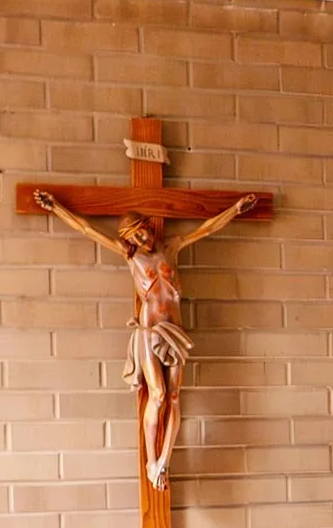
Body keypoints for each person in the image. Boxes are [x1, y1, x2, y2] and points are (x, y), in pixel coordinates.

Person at [34, 189, 258, 488]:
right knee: (159, 395)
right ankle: (151, 461)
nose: (141, 240)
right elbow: (87, 229)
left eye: (141, 233)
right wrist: (56, 207)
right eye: (134, 238)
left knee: (175, 396)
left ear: (148, 227)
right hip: (149, 331)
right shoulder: (131, 257)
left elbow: (207, 228)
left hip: (175, 332)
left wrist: (236, 209)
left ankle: (164, 461)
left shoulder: (172, 247)